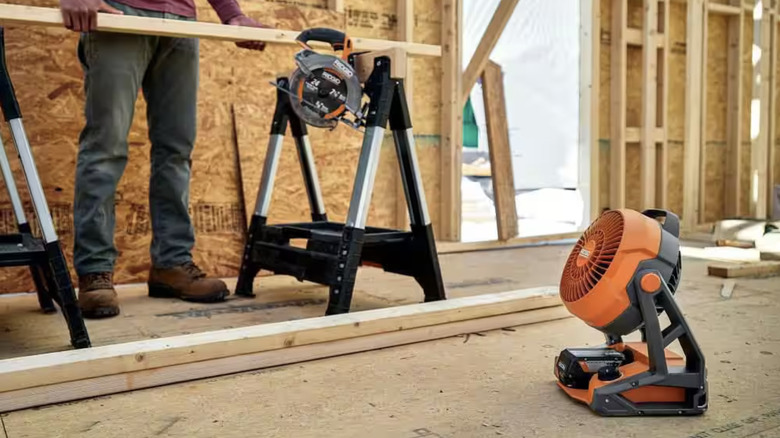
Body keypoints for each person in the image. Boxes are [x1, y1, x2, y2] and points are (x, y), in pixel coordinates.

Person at [59, 0, 267, 318]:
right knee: (105, 148)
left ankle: (171, 263)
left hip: (181, 22)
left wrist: (232, 14)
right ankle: (95, 272)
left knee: (176, 151)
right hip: (119, 12)